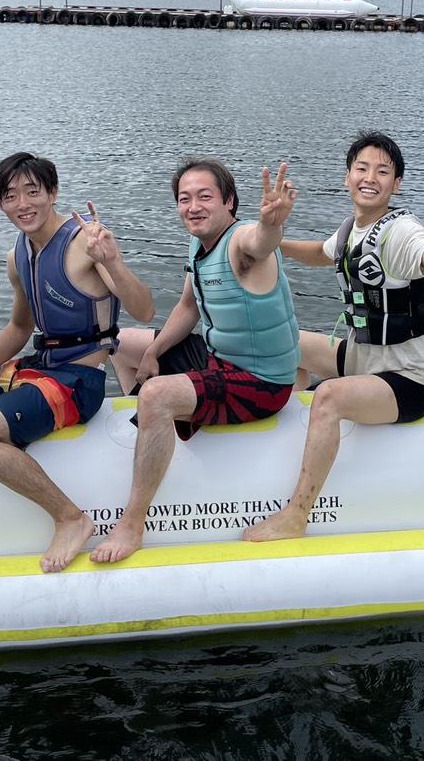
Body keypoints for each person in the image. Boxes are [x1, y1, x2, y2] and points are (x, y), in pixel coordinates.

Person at [244, 131, 424, 542]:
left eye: (383, 171)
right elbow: (320, 253)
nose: (370, 178)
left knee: (328, 396)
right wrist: (265, 241)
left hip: (406, 381)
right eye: (362, 168)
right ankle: (284, 436)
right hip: (362, 359)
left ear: (396, 184)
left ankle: (297, 515)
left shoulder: (402, 231)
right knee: (288, 342)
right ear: (348, 177)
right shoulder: (351, 229)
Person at [0, 153, 155, 573]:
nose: (23, 204)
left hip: (80, 381)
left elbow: (145, 310)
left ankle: (70, 518)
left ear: (53, 192)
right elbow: (19, 327)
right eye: (10, 196)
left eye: (33, 191)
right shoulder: (18, 255)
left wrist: (112, 260)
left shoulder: (85, 243)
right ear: (0, 203)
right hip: (40, 367)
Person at [92, 159, 302, 564]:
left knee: (155, 395)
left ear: (229, 201)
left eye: (205, 197)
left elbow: (260, 242)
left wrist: (272, 224)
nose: (193, 207)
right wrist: (153, 352)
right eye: (184, 199)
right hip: (217, 358)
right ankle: (148, 434)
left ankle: (132, 523)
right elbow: (188, 307)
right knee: (122, 342)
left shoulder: (241, 241)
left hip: (261, 382)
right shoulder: (200, 245)